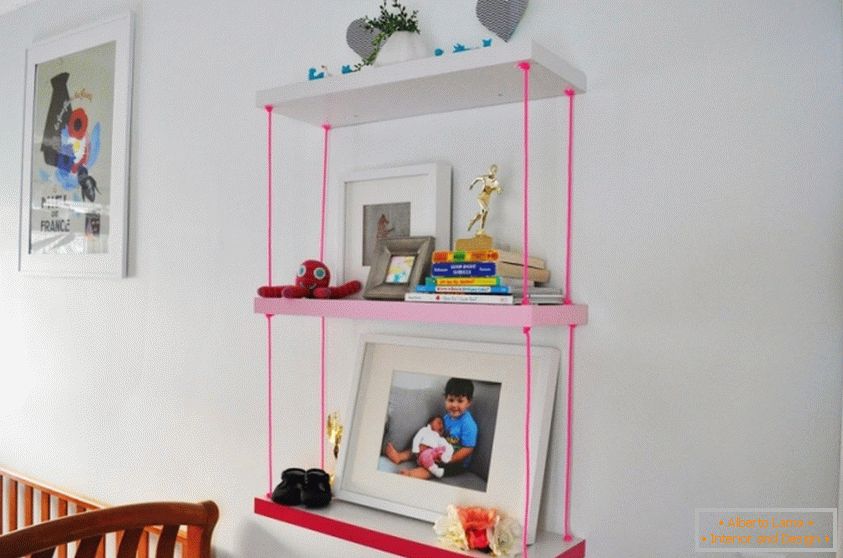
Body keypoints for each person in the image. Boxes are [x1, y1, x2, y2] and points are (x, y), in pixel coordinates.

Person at [385, 378, 478, 480]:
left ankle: (411, 474)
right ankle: (399, 457)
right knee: (421, 446)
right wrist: (426, 443)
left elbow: (468, 449)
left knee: (433, 469)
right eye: (451, 400)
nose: (454, 405)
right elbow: (439, 435)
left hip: (456, 462)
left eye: (460, 401)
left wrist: (450, 459)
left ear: (468, 402)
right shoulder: (447, 417)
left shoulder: (468, 424)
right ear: (445, 399)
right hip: (439, 449)